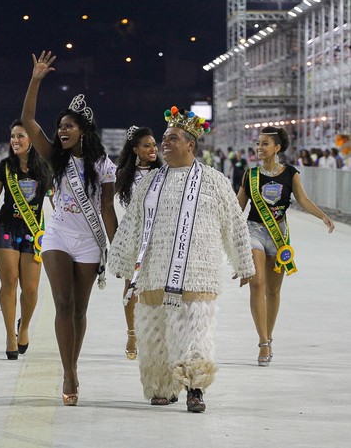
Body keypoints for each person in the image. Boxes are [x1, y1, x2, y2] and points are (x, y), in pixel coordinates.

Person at [108, 106, 255, 412]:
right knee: (155, 332)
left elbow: (235, 222)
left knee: (196, 330)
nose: (165, 143)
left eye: (172, 138)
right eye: (164, 138)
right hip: (154, 270)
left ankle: (195, 388)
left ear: (190, 144)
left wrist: (243, 262)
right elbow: (133, 222)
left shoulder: (214, 181)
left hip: (197, 271)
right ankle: (161, 385)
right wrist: (122, 262)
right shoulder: (149, 183)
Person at [21, 51, 118, 406]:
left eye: (68, 126)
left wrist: (118, 246)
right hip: (59, 236)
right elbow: (28, 119)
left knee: (79, 310)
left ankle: (72, 362)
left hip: (90, 242)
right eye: (60, 126)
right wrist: (36, 79)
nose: (61, 131)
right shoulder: (53, 157)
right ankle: (68, 372)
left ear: (83, 131)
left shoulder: (103, 165)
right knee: (63, 304)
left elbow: (107, 210)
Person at [236, 126, 334, 366]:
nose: (259, 147)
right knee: (257, 284)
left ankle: (269, 336)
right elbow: (236, 210)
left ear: (277, 148)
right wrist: (232, 243)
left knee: (273, 291)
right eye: (258, 143)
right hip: (254, 232)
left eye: (264, 144)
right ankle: (263, 343)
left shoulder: (291, 173)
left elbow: (303, 200)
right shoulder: (250, 175)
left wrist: (323, 216)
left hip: (279, 236)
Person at [0, 120, 51, 360]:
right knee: (9, 281)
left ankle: (23, 327)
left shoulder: (45, 169)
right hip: (6, 228)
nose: (15, 140)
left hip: (33, 231)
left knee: (30, 288)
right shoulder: (4, 167)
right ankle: (9, 335)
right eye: (13, 136)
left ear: (32, 140)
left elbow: (56, 200)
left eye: (21, 136)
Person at [114, 126, 162, 360]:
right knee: (131, 287)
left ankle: (153, 334)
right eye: (147, 145)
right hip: (134, 237)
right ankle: (132, 333)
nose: (152, 149)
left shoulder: (164, 172)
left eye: (154, 145)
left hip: (159, 236)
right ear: (135, 150)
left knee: (155, 287)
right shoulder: (124, 174)